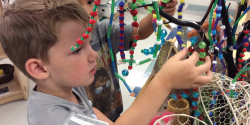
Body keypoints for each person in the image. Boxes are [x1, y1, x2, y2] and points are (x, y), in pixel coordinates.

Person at [0, 0, 213, 125]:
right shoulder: (58, 119)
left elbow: (94, 113)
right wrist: (164, 81)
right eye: (77, 50)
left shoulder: (68, 86)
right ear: (38, 68)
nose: (93, 54)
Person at [77, 0, 178, 121]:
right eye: (75, 6)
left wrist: (158, 13)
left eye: (90, 2)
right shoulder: (58, 55)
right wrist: (165, 82)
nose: (88, 12)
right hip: (85, 119)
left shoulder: (103, 30)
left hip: (113, 110)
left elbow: (138, 32)